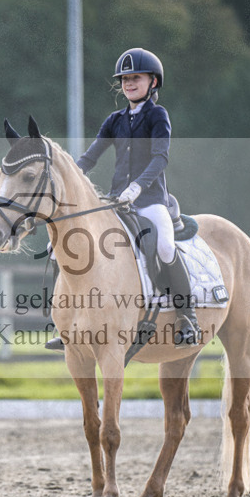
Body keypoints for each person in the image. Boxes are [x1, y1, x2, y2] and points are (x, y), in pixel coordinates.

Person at [46, 47, 199, 350]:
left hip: (151, 199)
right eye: (125, 79)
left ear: (153, 82)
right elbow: (90, 157)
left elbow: (160, 158)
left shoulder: (158, 116)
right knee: (56, 246)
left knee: (166, 245)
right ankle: (65, 322)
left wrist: (139, 188)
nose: (129, 83)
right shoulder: (115, 120)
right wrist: (66, 180)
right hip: (116, 201)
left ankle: (187, 317)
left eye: (136, 78)